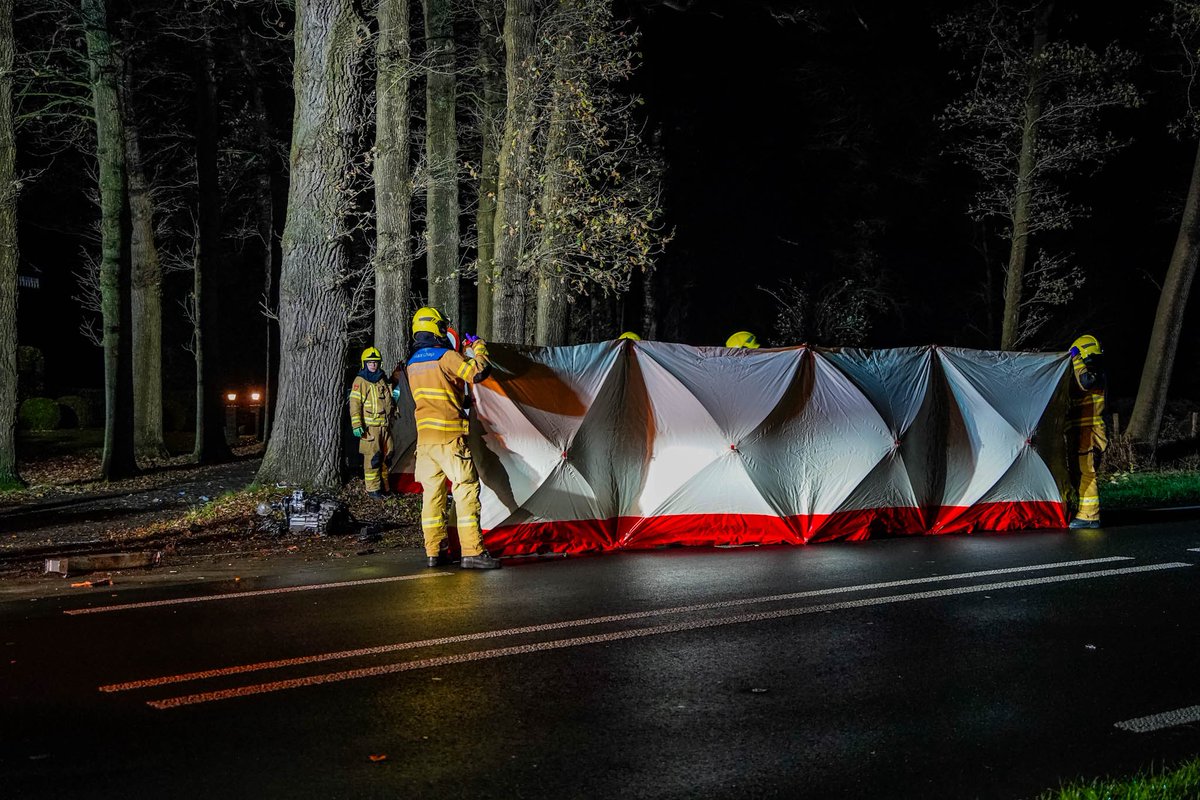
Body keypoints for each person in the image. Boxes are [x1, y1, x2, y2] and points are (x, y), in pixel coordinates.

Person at [406, 306, 500, 569]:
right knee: (466, 490)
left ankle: (434, 551)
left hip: (425, 443)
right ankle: (472, 551)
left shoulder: (412, 363)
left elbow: (444, 389)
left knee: (432, 496)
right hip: (450, 438)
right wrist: (478, 348)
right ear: (436, 328)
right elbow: (478, 372)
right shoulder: (446, 356)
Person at [1066, 334, 1107, 529]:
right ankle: (1083, 510)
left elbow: (1085, 382)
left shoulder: (1094, 374)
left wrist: (1075, 359)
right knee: (1079, 473)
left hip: (1090, 432)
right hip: (1082, 432)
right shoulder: (1091, 372)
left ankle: (1090, 516)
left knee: (1087, 473)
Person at [349, 346, 395, 499]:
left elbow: (389, 400)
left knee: (388, 456)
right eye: (370, 362)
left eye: (375, 362)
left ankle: (386, 487)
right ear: (364, 364)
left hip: (385, 426)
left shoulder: (382, 379)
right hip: (370, 429)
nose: (373, 365)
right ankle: (372, 489)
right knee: (373, 459)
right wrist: (357, 425)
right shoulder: (360, 381)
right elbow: (355, 403)